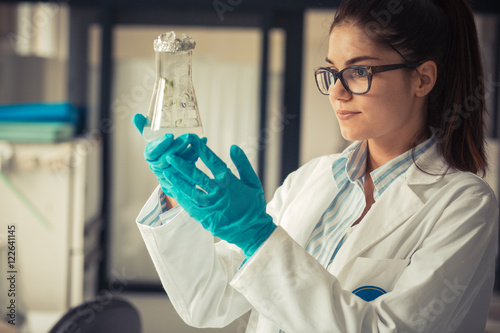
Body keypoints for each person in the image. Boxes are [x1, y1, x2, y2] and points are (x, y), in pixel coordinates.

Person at [132, 0, 499, 331]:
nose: (338, 92)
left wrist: (258, 237)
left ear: (422, 79)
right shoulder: (312, 179)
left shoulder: (465, 205)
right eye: (332, 72)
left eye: (359, 72)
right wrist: (176, 194)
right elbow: (208, 303)